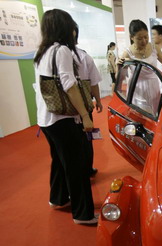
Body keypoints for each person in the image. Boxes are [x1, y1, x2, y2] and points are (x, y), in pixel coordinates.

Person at [34, 9, 97, 225]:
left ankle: (58, 198)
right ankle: (83, 213)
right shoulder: (61, 51)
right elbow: (70, 86)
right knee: (76, 166)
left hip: (47, 119)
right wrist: (85, 116)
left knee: (60, 162)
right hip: (64, 119)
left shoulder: (42, 52)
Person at [119, 19, 162, 115]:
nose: (144, 41)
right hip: (137, 89)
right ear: (132, 37)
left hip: (153, 87)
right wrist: (119, 65)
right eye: (139, 38)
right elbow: (120, 77)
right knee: (139, 116)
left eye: (146, 37)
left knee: (155, 115)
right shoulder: (128, 53)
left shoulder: (154, 48)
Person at [73, 25, 103, 177]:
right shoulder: (84, 56)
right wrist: (98, 100)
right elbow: (93, 82)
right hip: (85, 105)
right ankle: (88, 169)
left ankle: (79, 172)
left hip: (64, 111)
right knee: (86, 139)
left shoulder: (51, 54)